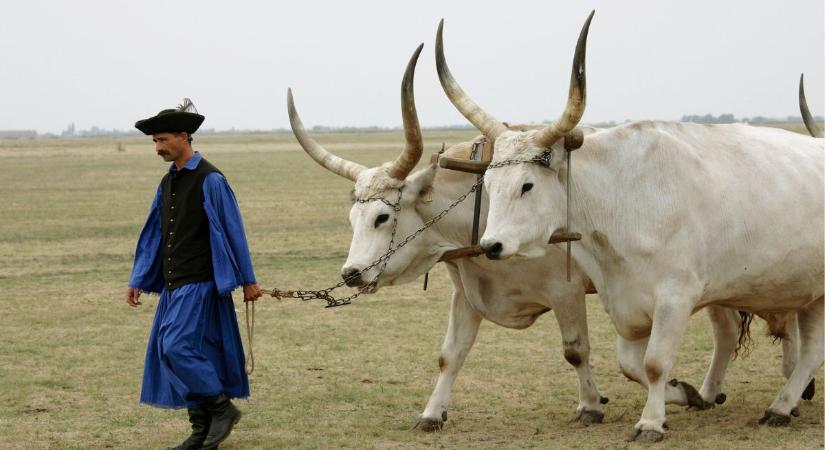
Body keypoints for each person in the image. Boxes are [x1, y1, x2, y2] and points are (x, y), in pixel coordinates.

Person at [125, 98, 262, 450]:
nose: (157, 148)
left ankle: (221, 409)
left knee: (176, 347)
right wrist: (138, 278)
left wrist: (248, 280)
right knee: (174, 350)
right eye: (154, 141)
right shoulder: (167, 182)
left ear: (184, 137)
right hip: (174, 285)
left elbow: (234, 231)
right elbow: (155, 232)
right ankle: (201, 429)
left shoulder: (211, 179)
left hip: (200, 283)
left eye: (162, 140)